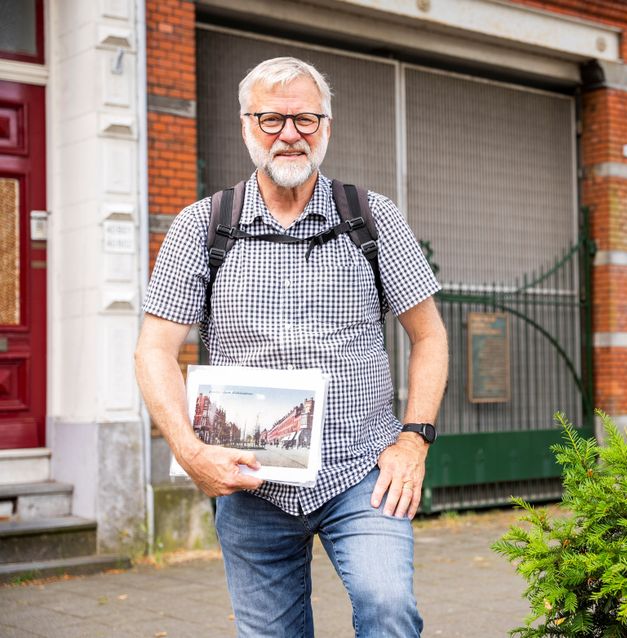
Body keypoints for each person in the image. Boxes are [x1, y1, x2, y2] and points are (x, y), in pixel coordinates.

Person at [135, 57, 448, 637]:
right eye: (271, 119)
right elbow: (154, 349)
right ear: (246, 126)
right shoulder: (202, 226)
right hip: (248, 477)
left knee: (388, 608)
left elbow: (429, 336)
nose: (289, 134)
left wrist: (414, 440)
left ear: (326, 126)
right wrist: (190, 451)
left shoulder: (371, 217)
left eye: (306, 119)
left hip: (362, 469)